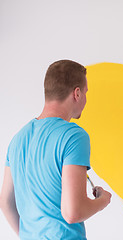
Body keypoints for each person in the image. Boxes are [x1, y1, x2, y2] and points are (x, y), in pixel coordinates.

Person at [0, 60, 112, 239]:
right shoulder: (74, 136)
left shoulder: (17, 139)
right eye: (85, 92)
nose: (85, 98)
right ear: (77, 93)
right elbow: (72, 212)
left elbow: (5, 202)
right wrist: (102, 201)